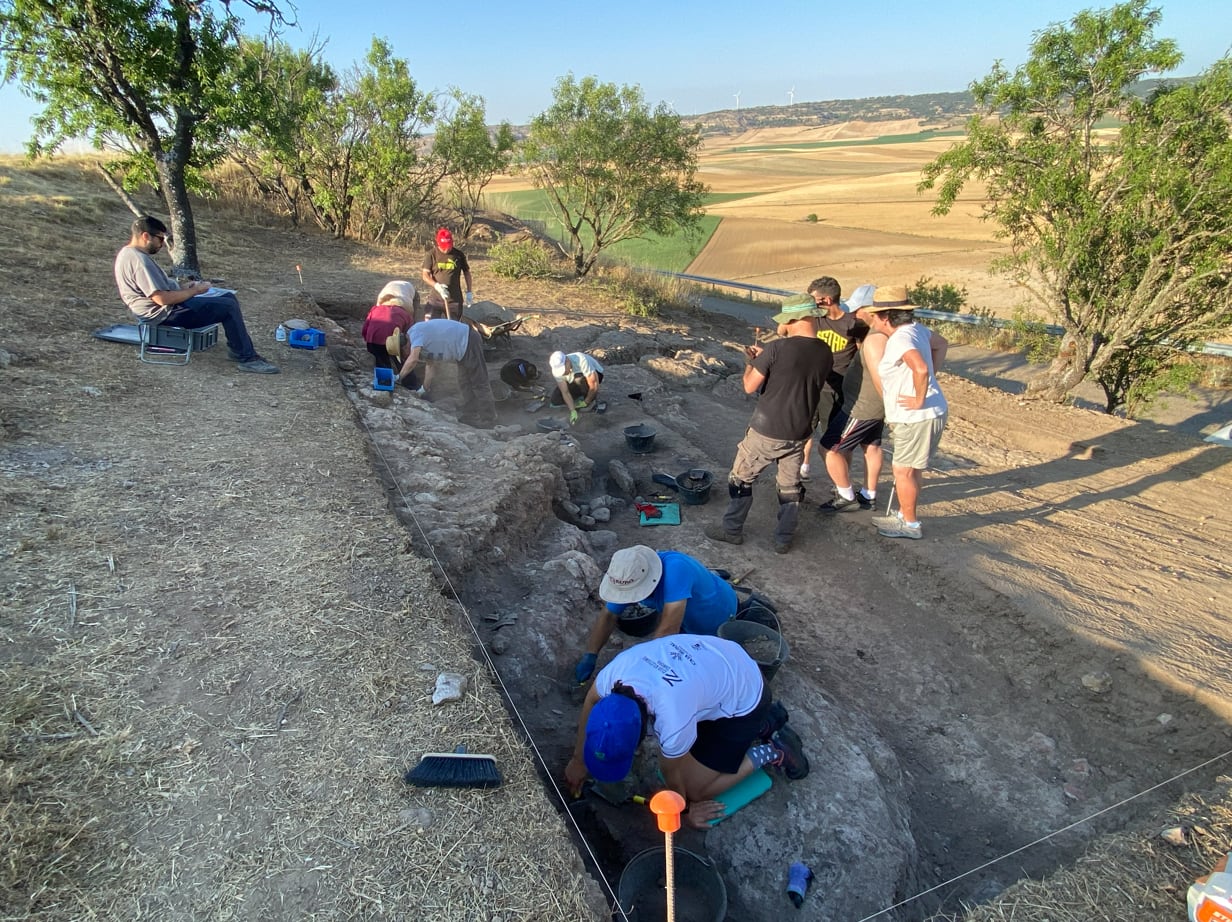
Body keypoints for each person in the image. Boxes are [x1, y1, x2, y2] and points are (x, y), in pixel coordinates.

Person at [565, 634, 808, 828]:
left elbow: (673, 779)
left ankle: (772, 749)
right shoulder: (613, 675)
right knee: (691, 747)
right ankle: (763, 723)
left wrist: (685, 811)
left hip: (746, 698)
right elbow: (590, 701)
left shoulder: (672, 721)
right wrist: (578, 760)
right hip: (720, 665)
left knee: (696, 790)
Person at [705, 296, 832, 554]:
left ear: (792, 319)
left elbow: (749, 386)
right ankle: (783, 538)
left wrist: (752, 363)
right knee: (790, 487)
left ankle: (732, 530)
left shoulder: (777, 348)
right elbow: (797, 374)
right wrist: (767, 360)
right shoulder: (824, 351)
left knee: (740, 479)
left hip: (767, 429)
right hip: (799, 432)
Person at [114, 215, 279, 374]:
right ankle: (247, 358)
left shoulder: (129, 254)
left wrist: (184, 287)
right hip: (162, 314)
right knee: (228, 307)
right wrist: (195, 291)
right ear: (146, 236)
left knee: (228, 298)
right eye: (160, 239)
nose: (162, 244)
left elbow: (159, 290)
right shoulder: (139, 261)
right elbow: (161, 299)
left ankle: (239, 350)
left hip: (165, 309)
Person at [575, 545, 737, 685]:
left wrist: (642, 673)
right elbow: (608, 615)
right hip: (685, 616)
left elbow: (668, 631)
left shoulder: (676, 570)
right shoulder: (629, 575)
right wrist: (591, 654)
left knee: (700, 667)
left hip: (716, 613)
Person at [863, 285, 949, 540]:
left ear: (885, 317)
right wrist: (930, 380)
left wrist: (919, 395)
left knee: (902, 470)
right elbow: (941, 344)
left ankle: (910, 524)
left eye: (875, 314)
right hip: (929, 413)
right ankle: (903, 515)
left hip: (915, 417)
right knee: (912, 469)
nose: (871, 318)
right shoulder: (917, 330)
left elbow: (920, 368)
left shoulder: (900, 339)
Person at [816, 287, 887, 512]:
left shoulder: (875, 337)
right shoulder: (883, 332)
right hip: (875, 404)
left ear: (871, 309)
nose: (854, 315)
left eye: (857, 310)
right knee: (871, 445)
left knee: (829, 448)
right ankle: (868, 494)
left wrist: (887, 404)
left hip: (862, 405)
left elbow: (878, 375)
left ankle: (846, 496)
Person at [800, 277, 869, 477]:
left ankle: (841, 482)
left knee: (836, 441)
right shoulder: (815, 320)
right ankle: (802, 469)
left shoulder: (853, 324)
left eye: (814, 300)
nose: (812, 304)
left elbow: (864, 355)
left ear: (827, 300)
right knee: (803, 431)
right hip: (812, 385)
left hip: (836, 391)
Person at [394, 317, 497, 429]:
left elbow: (413, 360)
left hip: (468, 340)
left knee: (479, 382)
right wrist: (423, 390)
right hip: (461, 349)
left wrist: (399, 378)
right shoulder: (421, 343)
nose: (405, 356)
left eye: (403, 353)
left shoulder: (415, 333)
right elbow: (431, 366)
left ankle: (488, 420)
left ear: (405, 345)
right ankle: (471, 415)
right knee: (464, 383)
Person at [361, 281, 422, 392]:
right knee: (402, 362)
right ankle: (411, 385)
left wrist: (369, 342)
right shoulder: (405, 314)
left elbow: (365, 329)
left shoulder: (375, 309)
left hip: (373, 340)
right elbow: (409, 335)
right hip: (394, 341)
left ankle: (385, 381)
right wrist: (407, 352)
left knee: (381, 360)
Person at [421, 227, 473, 321]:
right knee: (431, 325)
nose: (446, 250)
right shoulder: (431, 255)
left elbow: (467, 273)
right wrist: (437, 286)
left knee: (453, 326)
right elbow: (425, 275)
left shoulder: (458, 255)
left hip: (454, 300)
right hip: (435, 299)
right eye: (444, 247)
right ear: (438, 243)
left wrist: (469, 292)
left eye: (449, 247)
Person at [548, 350, 604, 424]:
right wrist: (572, 410)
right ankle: (580, 396)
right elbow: (565, 392)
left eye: (563, 370)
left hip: (594, 376)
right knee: (556, 400)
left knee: (579, 380)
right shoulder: (555, 371)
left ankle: (590, 401)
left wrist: (586, 402)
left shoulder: (581, 360)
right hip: (572, 378)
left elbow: (594, 385)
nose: (562, 373)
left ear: (567, 361)